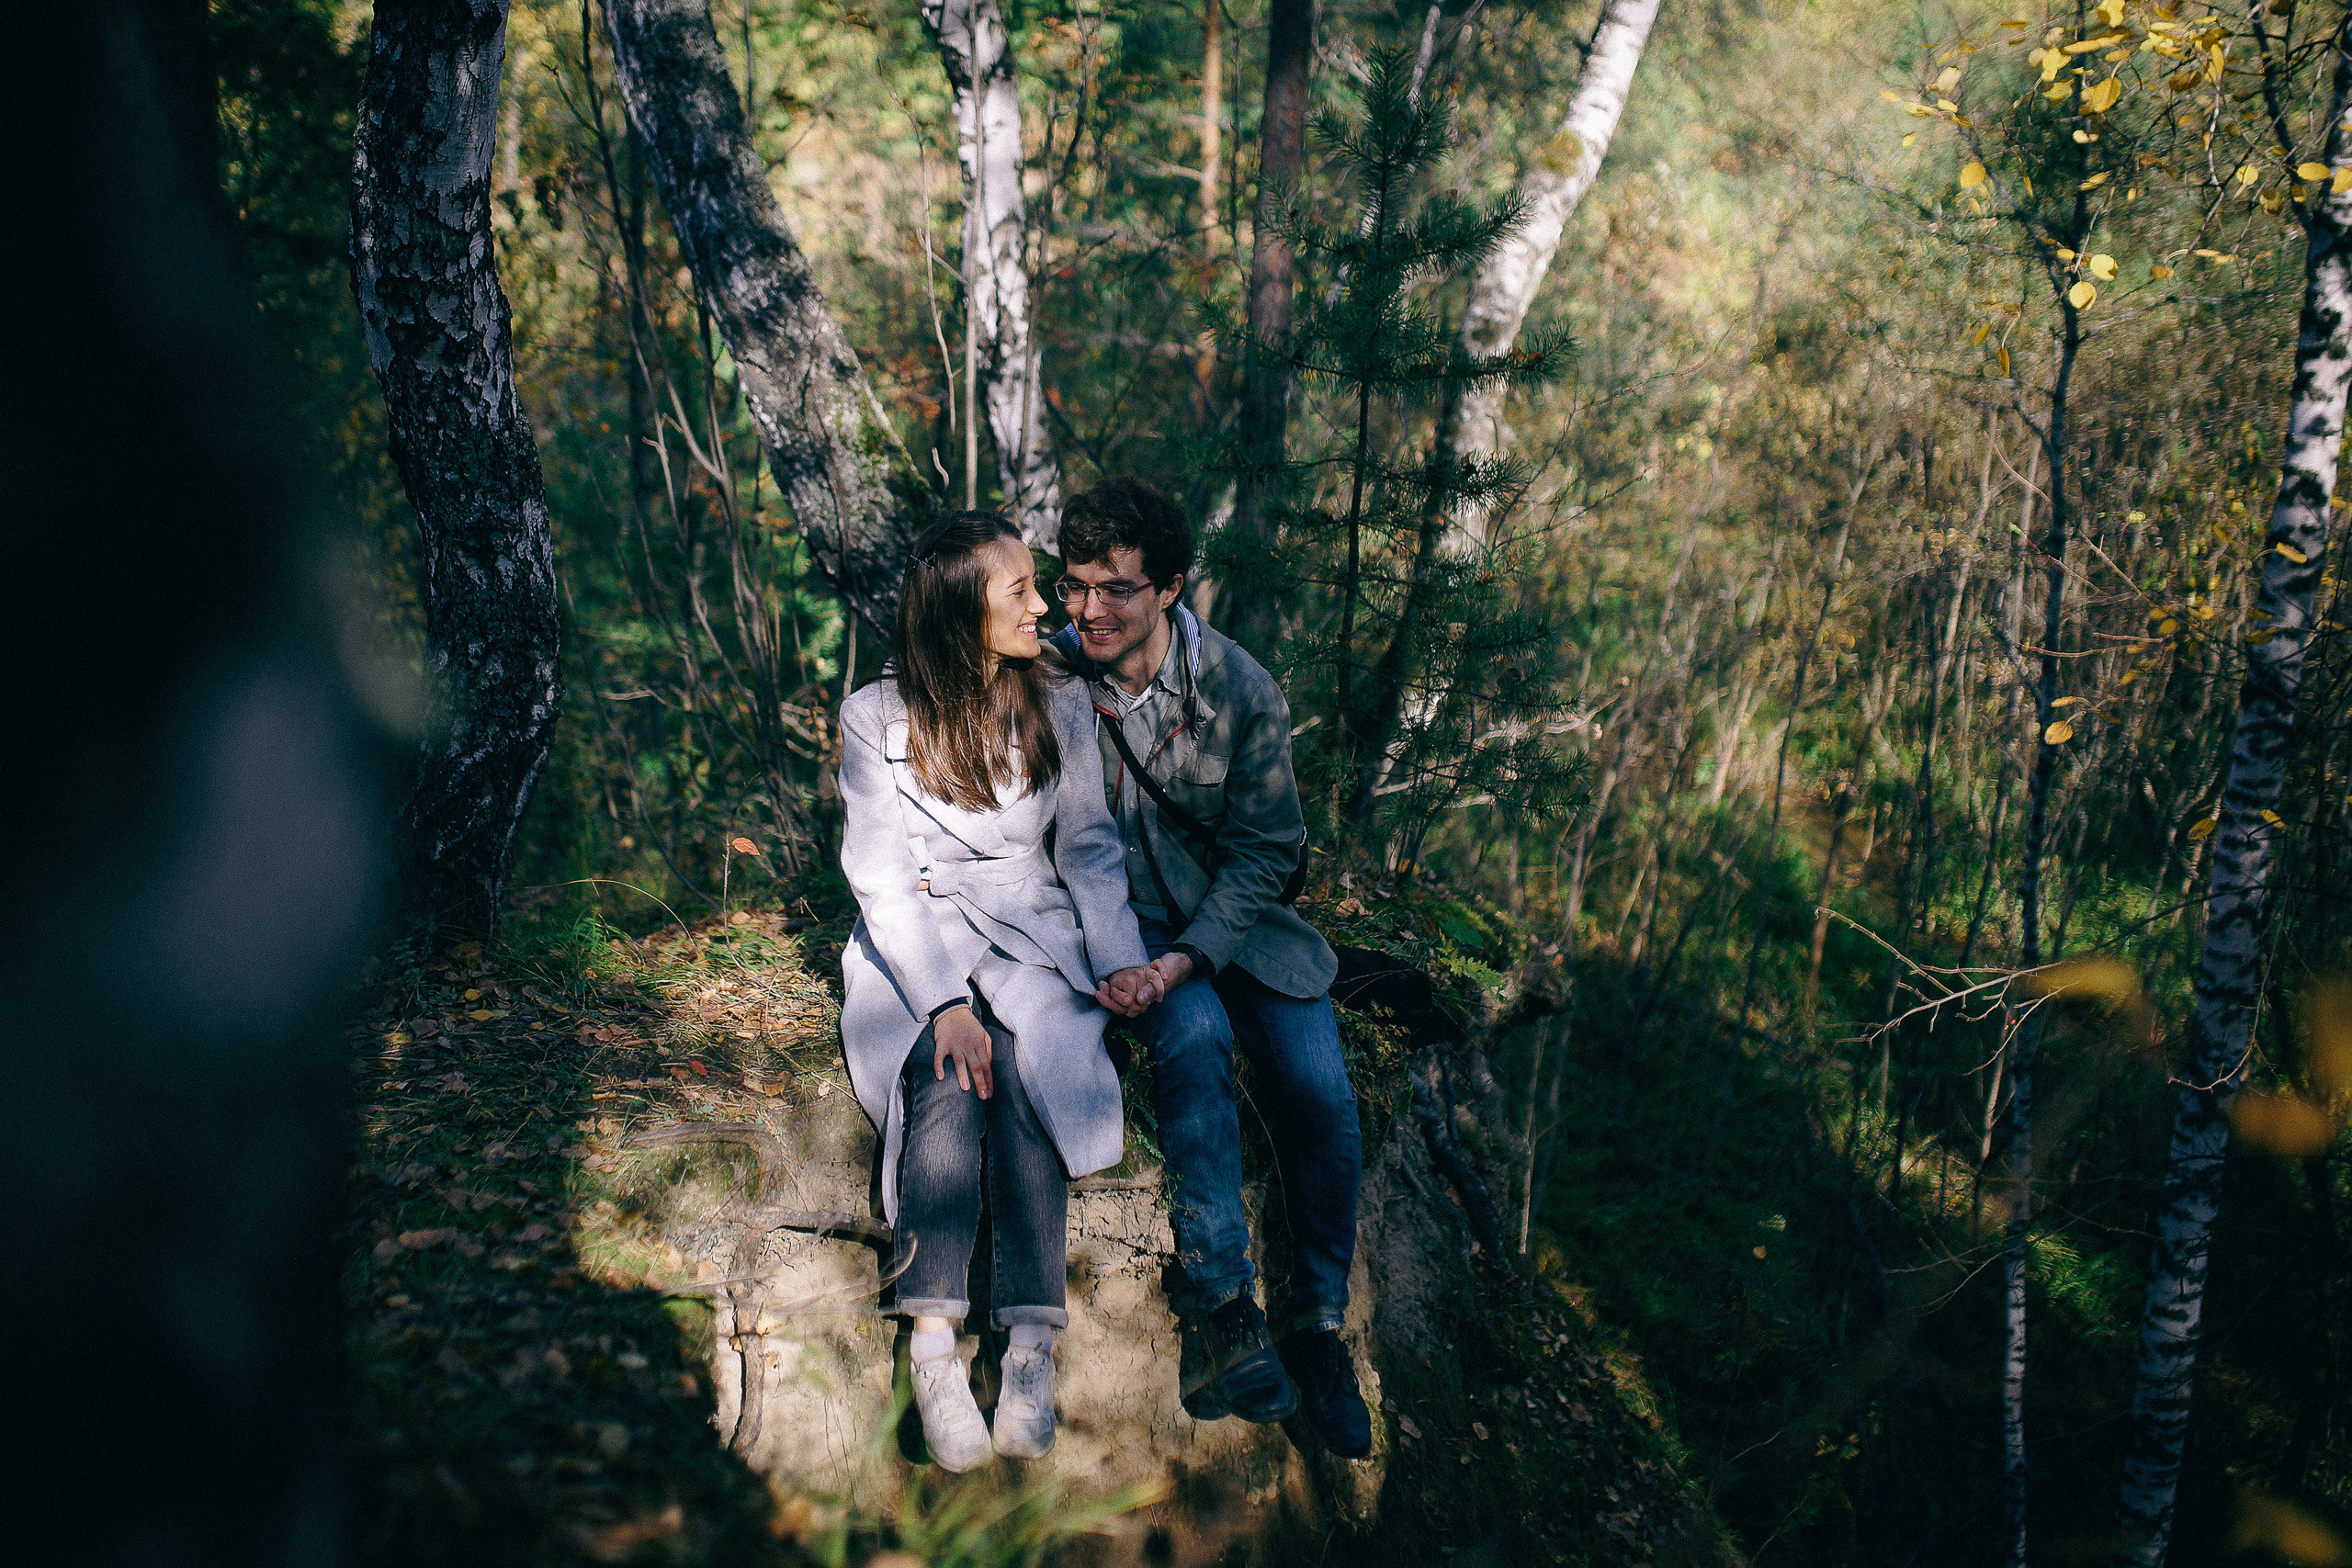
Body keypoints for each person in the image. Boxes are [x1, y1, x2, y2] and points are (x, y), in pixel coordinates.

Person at [1045, 478, 1374, 1459]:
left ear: (1171, 590)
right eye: (1074, 588)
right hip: (1127, 934)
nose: (1090, 611)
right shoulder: (1055, 678)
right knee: (1192, 1042)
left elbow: (1268, 853)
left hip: (1239, 930)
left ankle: (1315, 1329)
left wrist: (1193, 957)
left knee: (1319, 1094)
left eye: (1117, 590)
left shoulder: (1239, 687)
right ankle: (1225, 1308)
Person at [837, 512, 1164, 1472]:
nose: (1044, 602)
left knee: (1034, 1069)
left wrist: (1116, 959)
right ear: (956, 612)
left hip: (1029, 922)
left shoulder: (1054, 690)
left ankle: (1028, 1347)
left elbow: (1088, 846)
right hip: (921, 939)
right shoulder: (873, 715)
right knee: (946, 1071)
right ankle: (934, 1348)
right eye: (1019, 589)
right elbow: (881, 877)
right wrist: (943, 1003)